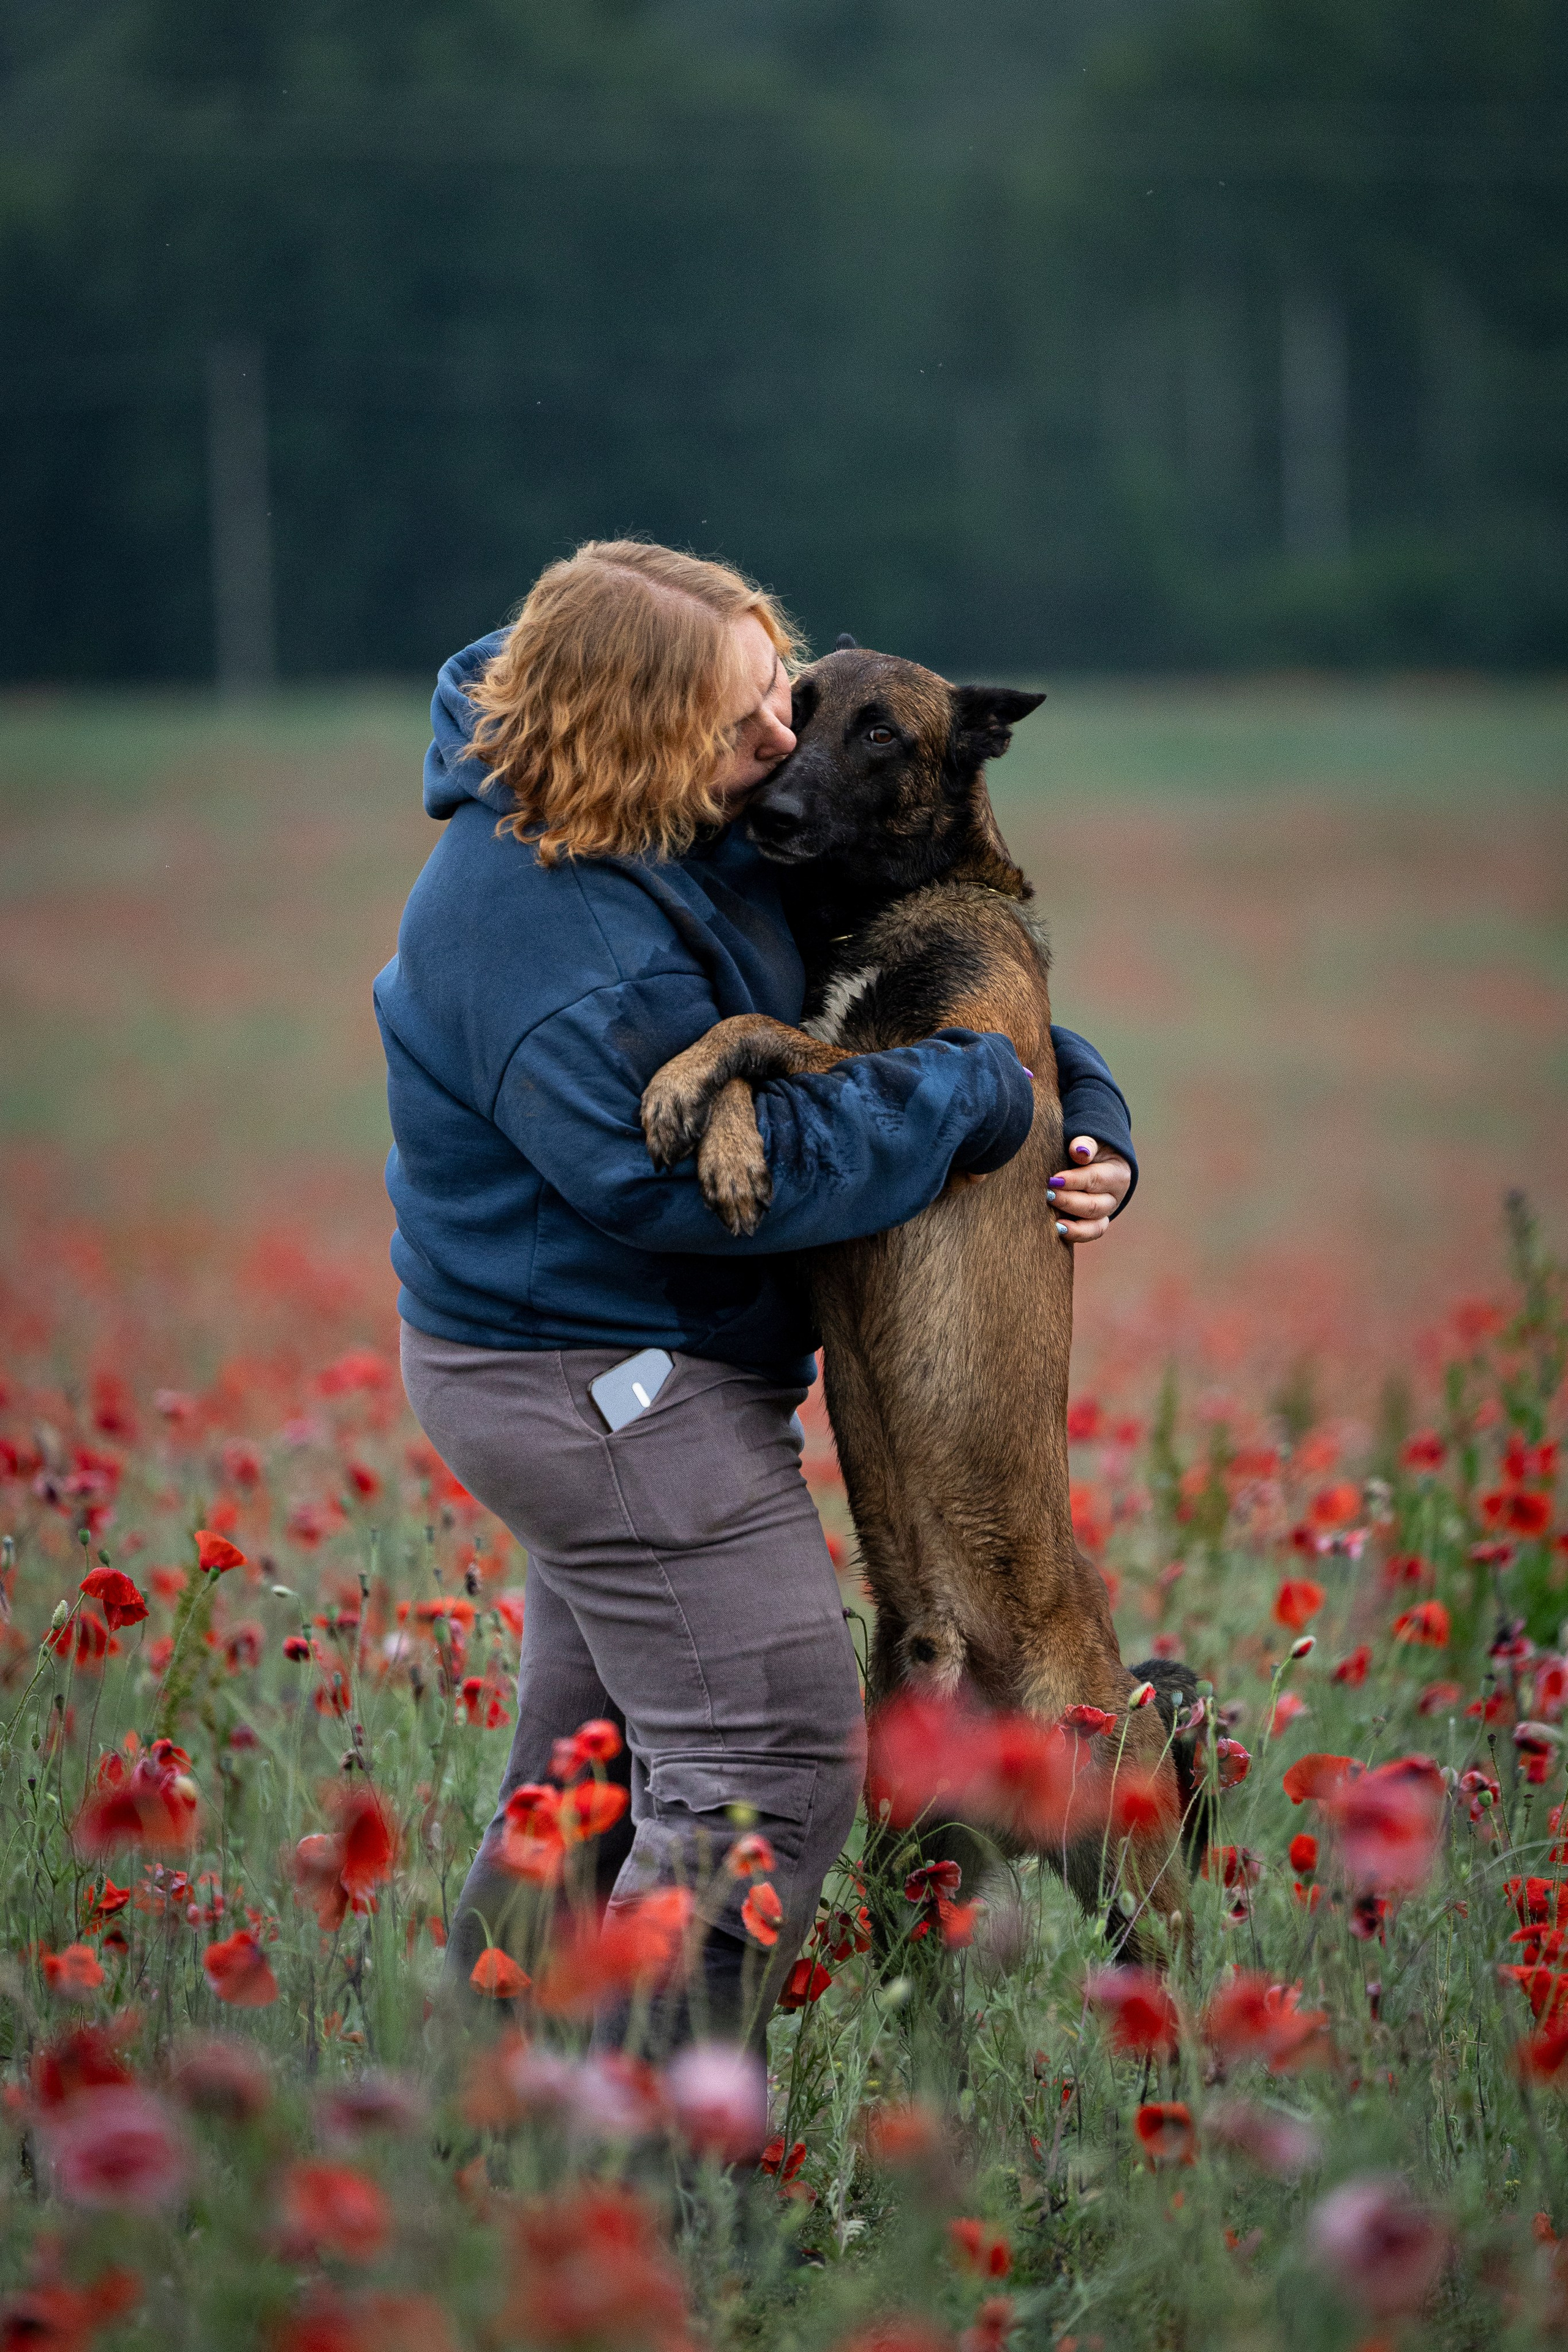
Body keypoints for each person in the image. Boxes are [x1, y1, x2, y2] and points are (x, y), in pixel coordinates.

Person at [375, 540, 1136, 2044]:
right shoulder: (538, 925)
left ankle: (473, 2109)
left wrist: (1087, 1109)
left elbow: (924, 990)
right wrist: (986, 1101)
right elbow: (688, 1180)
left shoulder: (675, 810)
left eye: (781, 693)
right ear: (641, 723)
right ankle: (659, 2144)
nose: (784, 744)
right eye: (749, 720)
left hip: (619, 1361)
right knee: (770, 1758)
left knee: (586, 1779)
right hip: (599, 1381)